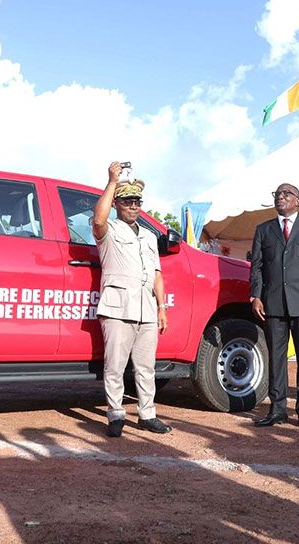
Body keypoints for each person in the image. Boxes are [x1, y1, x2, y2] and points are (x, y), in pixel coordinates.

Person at [93, 162, 170, 438]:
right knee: (114, 366)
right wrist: (112, 182)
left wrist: (162, 307)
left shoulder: (148, 236)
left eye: (137, 202)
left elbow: (157, 274)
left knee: (146, 368)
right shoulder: (110, 230)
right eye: (127, 201)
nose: (133, 206)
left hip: (147, 310)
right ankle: (115, 415)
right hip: (118, 308)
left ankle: (147, 415)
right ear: (116, 204)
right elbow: (98, 221)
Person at [250, 183, 299, 430]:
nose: (280, 197)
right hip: (272, 305)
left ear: (297, 200)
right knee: (276, 359)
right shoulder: (263, 229)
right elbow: (257, 267)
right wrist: (255, 296)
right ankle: (277, 410)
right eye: (277, 194)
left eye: (286, 194)